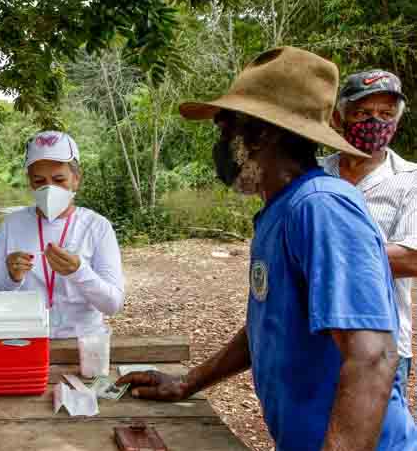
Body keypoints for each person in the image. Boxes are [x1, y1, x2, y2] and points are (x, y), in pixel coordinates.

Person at [116, 47, 417, 450]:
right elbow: (268, 326)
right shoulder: (283, 209)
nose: (220, 145)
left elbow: (373, 358)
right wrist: (186, 383)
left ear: (260, 132)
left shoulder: (321, 207)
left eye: (226, 130)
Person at [322, 70, 417, 398]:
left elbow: (411, 258)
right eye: (363, 113)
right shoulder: (315, 173)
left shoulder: (410, 180)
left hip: (382, 341)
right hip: (315, 336)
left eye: (386, 114)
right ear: (338, 118)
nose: (375, 122)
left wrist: (321, 253)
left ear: (396, 123)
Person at [0, 131, 124, 338]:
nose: (49, 189)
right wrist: (11, 278)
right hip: (26, 340)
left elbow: (113, 305)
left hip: (83, 343)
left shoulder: (97, 227)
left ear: (76, 179)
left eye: (59, 179)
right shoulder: (12, 225)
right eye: (39, 181)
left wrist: (79, 271)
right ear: (30, 182)